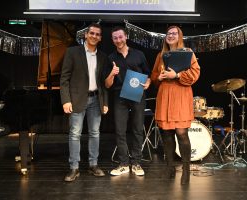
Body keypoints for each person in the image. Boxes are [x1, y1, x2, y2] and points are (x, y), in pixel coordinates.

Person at [150, 25, 200, 185]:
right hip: (165, 95)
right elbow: (154, 75)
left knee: (182, 134)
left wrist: (176, 75)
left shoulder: (188, 53)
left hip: (181, 95)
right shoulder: (160, 55)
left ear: (180, 36)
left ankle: (186, 171)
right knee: (167, 134)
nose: (170, 35)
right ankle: (170, 168)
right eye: (168, 33)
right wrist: (160, 77)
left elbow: (195, 73)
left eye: (174, 33)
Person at [60, 23, 110, 182]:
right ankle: (74, 168)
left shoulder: (103, 56)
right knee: (75, 134)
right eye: (92, 33)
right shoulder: (72, 52)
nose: (94, 36)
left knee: (95, 133)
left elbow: (103, 82)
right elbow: (64, 79)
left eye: (97, 34)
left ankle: (93, 165)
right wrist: (66, 100)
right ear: (86, 35)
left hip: (96, 99)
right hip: (76, 100)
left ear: (100, 38)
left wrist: (105, 101)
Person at [104, 26, 151, 176]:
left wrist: (148, 83)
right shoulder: (110, 58)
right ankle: (124, 163)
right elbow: (107, 84)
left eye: (120, 37)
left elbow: (148, 75)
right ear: (112, 40)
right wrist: (112, 73)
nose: (118, 40)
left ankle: (136, 163)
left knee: (137, 129)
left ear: (126, 37)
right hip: (119, 96)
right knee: (120, 131)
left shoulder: (139, 55)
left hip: (137, 95)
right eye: (115, 38)